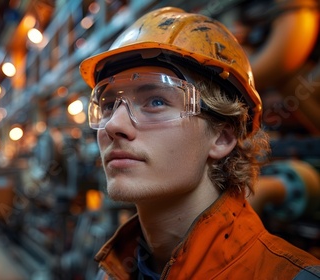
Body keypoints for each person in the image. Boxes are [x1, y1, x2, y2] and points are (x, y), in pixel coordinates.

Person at [79, 6, 320, 279]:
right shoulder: (112, 272)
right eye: (108, 104)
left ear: (222, 137)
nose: (113, 125)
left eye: (156, 101)